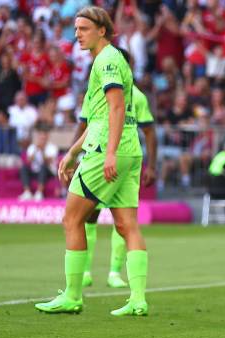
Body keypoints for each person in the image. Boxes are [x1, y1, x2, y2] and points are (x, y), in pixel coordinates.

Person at [35, 6, 149, 316]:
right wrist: (72, 152)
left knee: (72, 219)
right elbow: (100, 116)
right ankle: (138, 298)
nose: (77, 34)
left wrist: (109, 152)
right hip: (129, 149)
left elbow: (114, 109)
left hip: (106, 151)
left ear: (102, 30)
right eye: (76, 29)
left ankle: (72, 295)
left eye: (83, 29)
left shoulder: (108, 60)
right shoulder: (110, 59)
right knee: (127, 225)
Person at [79, 48, 157, 289]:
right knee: (90, 215)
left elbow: (149, 131)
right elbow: (84, 125)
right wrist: (75, 155)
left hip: (118, 156)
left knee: (120, 218)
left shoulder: (137, 96)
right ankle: (85, 272)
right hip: (99, 154)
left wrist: (152, 166)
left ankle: (113, 272)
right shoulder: (96, 93)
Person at [18, 123, 58, 201]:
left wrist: (42, 150)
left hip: (48, 171)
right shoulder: (32, 147)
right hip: (35, 171)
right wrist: (36, 150)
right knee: (24, 168)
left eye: (44, 136)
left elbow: (48, 162)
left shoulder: (52, 147)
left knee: (43, 166)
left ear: (47, 137)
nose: (42, 138)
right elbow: (28, 161)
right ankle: (27, 193)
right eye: (40, 135)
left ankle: (39, 193)